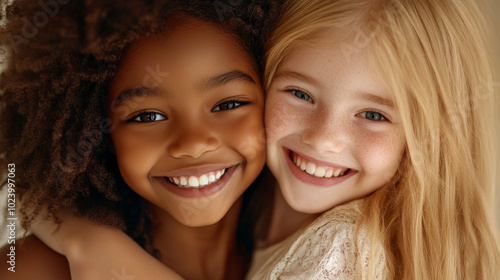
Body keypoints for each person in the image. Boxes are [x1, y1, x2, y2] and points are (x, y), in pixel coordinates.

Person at [0, 0, 278, 279]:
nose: (193, 144)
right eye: (148, 117)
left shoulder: (308, 248)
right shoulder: (30, 270)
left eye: (228, 105)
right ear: (101, 134)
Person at [248, 0, 500, 279]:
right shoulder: (251, 210)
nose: (323, 139)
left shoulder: (341, 249)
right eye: (300, 94)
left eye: (373, 115)